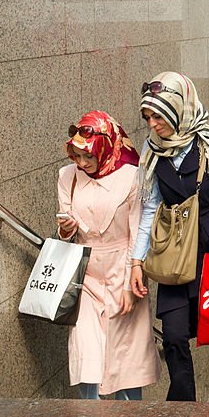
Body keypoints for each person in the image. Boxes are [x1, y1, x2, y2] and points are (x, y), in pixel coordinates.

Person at [129, 72, 209, 402]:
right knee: (173, 337)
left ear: (178, 108)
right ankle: (182, 412)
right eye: (148, 117)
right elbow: (150, 208)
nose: (152, 124)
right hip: (174, 249)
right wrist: (136, 261)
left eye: (158, 116)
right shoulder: (152, 150)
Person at [57, 110, 162, 400]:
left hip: (124, 268)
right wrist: (66, 228)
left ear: (104, 147)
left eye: (87, 156)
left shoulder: (131, 177)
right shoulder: (67, 176)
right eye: (76, 156)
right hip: (86, 274)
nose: (81, 163)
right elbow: (66, 231)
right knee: (86, 354)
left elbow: (137, 233)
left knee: (125, 362)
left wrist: (130, 284)